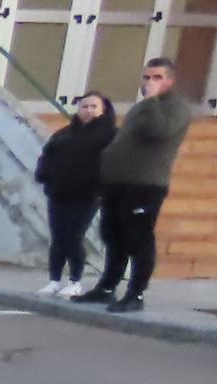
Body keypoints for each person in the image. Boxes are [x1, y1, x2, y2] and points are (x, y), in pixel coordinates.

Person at [80, 56, 195, 312]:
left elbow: (159, 130)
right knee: (113, 236)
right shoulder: (142, 106)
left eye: (157, 78)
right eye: (146, 77)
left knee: (138, 239)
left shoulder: (174, 106)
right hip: (118, 184)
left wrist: (152, 99)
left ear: (170, 80)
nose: (150, 83)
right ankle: (107, 287)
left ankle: (136, 294)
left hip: (145, 185)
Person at [35, 92, 116, 298]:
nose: (88, 111)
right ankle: (54, 279)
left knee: (74, 235)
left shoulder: (110, 135)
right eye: (84, 106)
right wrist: (46, 176)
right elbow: (47, 156)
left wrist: (101, 186)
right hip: (59, 193)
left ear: (103, 110)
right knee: (58, 236)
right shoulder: (64, 134)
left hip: (88, 195)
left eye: (93, 107)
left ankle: (75, 280)